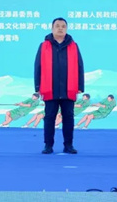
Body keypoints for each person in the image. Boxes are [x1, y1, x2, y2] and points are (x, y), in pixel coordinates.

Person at [34, 17, 84, 154]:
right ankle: (48, 145)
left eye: (63, 26)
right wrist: (37, 87)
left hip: (69, 88)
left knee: (68, 118)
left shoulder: (73, 46)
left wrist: (80, 86)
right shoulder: (44, 46)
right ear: (52, 28)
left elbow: (80, 66)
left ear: (66, 29)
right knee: (49, 117)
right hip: (50, 88)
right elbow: (38, 66)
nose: (60, 28)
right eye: (57, 26)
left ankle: (68, 145)